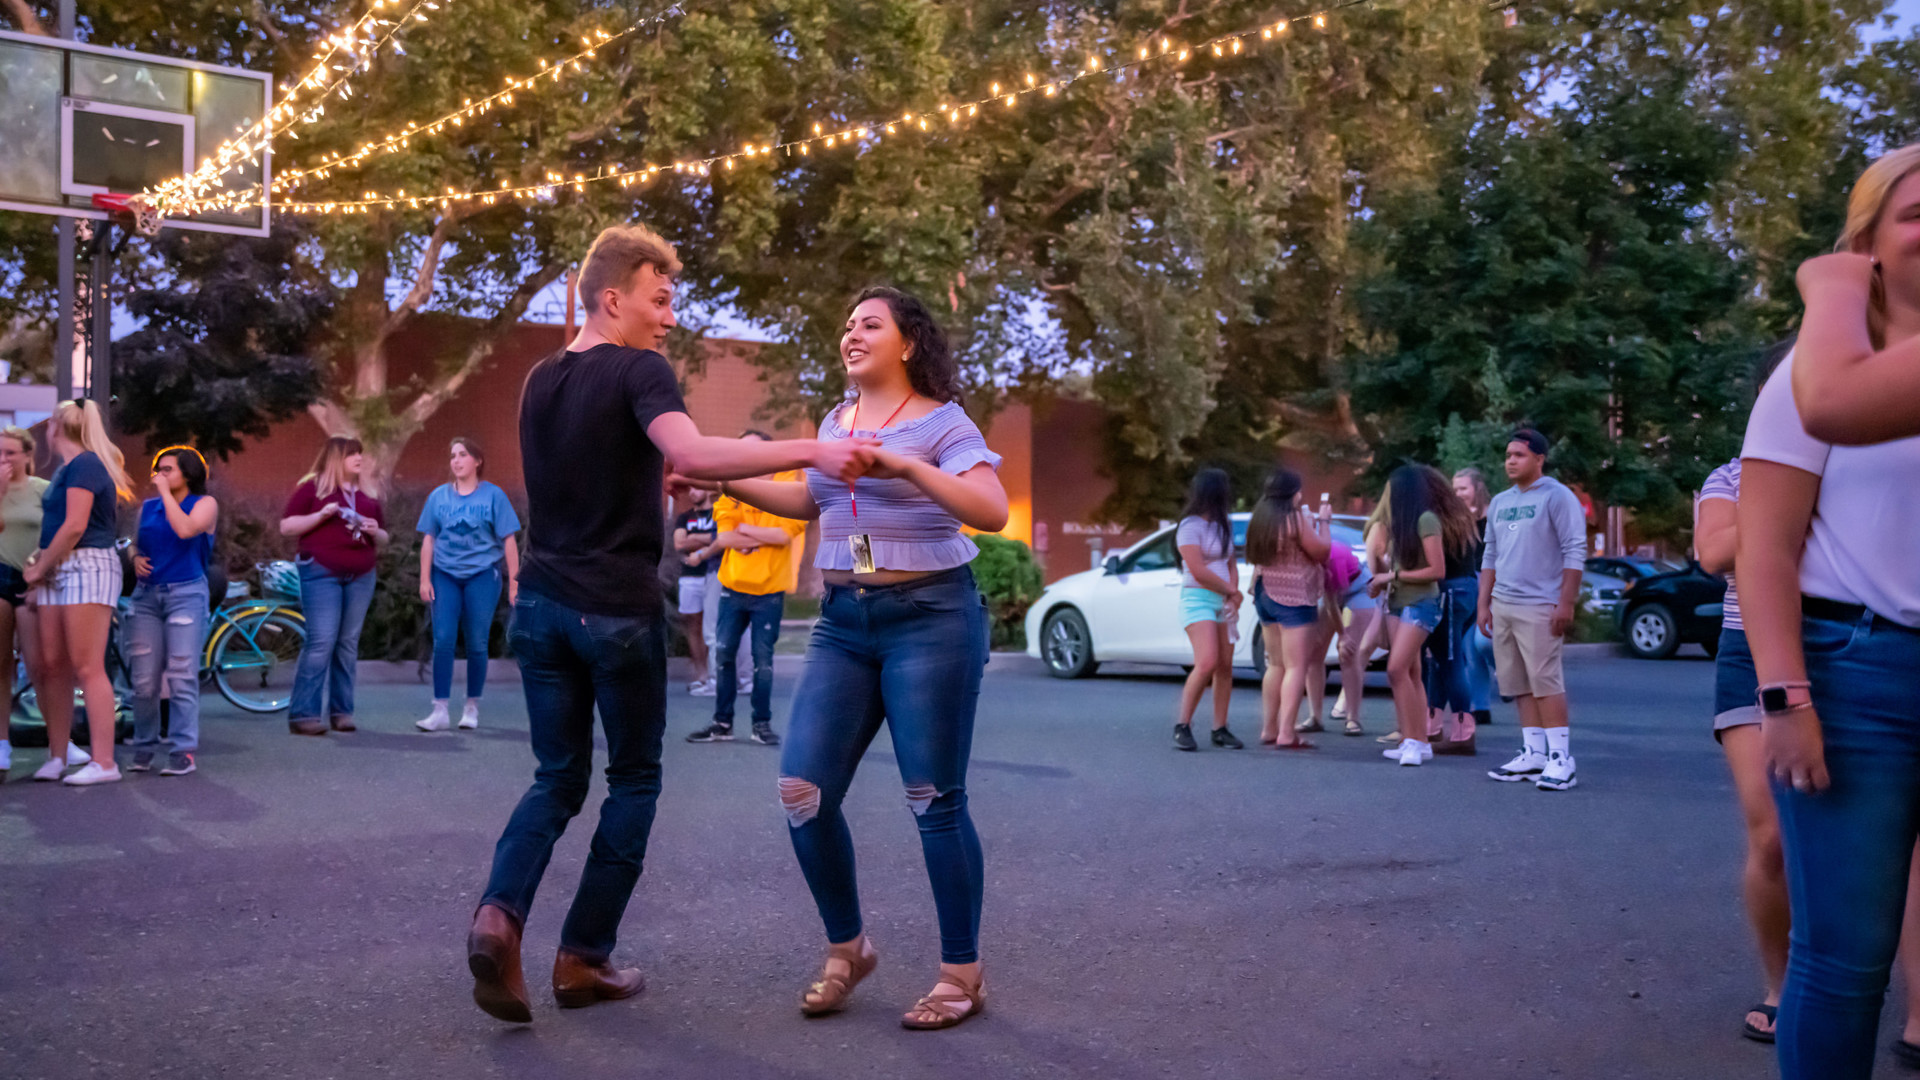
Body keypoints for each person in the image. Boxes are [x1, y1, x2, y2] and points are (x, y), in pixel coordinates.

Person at [466, 223, 874, 1024]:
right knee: (635, 779)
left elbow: (601, 476)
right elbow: (693, 448)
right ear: (612, 297)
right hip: (612, 612)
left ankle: (497, 915)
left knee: (555, 779)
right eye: (659, 298)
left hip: (541, 607)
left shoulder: (540, 379)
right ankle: (584, 954)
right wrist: (811, 452)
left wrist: (662, 491)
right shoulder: (639, 369)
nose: (669, 317)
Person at [683, 285, 1005, 1029]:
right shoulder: (835, 421)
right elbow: (808, 503)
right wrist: (718, 473)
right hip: (842, 623)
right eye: (846, 324)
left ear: (908, 343)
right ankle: (849, 946)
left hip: (931, 619)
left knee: (933, 798)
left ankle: (963, 972)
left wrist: (908, 469)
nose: (850, 334)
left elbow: (987, 510)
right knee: (801, 790)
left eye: (869, 324)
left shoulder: (942, 422)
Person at [1741, 146, 1920, 1079]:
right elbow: (1764, 550)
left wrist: (1827, 286)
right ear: (1871, 240)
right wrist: (1785, 699)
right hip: (1859, 675)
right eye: (1917, 213)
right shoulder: (1803, 377)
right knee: (1845, 960)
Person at [26, 399, 132, 785]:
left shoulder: (86, 464)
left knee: (87, 665)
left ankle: (104, 762)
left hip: (88, 564)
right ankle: (58, 755)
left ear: (57, 428)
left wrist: (39, 566)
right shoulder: (66, 470)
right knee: (54, 664)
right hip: (61, 567)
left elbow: (74, 526)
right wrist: (43, 564)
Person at [1477, 429, 1586, 790]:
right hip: (1503, 603)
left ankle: (1560, 759)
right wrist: (1484, 603)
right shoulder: (1500, 502)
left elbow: (1574, 549)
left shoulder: (1557, 496)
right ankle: (1533, 753)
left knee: (1545, 680)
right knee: (1518, 682)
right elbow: (1490, 554)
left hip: (1540, 604)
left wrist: (1565, 601)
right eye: (1508, 454)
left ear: (1539, 459)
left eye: (1519, 455)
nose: (1510, 460)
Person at [685, 431, 806, 746]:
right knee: (723, 653)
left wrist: (745, 530)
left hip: (769, 591)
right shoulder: (732, 487)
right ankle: (721, 723)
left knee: (762, 661)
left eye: (752, 452)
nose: (744, 458)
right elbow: (724, 537)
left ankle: (761, 725)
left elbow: (785, 535)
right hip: (733, 588)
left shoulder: (789, 484)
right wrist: (762, 533)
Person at [279, 437, 389, 737]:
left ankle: (342, 712)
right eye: (352, 454)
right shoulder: (313, 489)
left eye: (360, 454)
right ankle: (304, 714)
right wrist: (320, 515)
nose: (359, 459)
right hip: (321, 572)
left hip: (361, 574)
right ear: (335, 458)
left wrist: (374, 530)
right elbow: (286, 526)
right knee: (322, 640)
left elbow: (384, 537)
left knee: (347, 643)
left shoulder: (367, 496)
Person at [416, 437, 521, 733]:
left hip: (482, 576)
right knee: (444, 639)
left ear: (477, 461)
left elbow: (509, 540)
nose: (456, 460)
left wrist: (514, 583)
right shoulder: (438, 497)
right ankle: (439, 710)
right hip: (445, 575)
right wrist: (425, 578)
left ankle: (471, 707)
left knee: (477, 642)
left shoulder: (493, 496)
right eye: (452, 456)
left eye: (463, 455)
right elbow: (429, 539)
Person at [127, 447, 218, 776]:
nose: (159, 476)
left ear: (189, 473)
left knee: (181, 675)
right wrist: (134, 556)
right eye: (158, 470)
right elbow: (135, 542)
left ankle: (183, 751)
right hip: (146, 597)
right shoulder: (147, 507)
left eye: (168, 470)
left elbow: (185, 530)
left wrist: (166, 494)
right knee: (144, 681)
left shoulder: (204, 504)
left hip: (186, 594)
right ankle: (143, 747)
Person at [1365, 465, 1458, 767]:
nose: (1386, 495)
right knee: (1412, 673)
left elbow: (1437, 571)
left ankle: (1415, 742)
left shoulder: (1426, 520)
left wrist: (1392, 576)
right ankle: (1414, 740)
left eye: (1390, 489)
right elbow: (1388, 569)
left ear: (1402, 491)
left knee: (1395, 669)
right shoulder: (1395, 525)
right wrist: (1380, 577)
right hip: (1397, 602)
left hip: (1421, 603)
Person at [1245, 469, 1330, 749]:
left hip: (1264, 591)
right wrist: (1324, 522)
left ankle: (1269, 729)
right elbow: (1321, 551)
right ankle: (1286, 733)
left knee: (1276, 664)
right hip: (1293, 595)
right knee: (1296, 666)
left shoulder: (1261, 519)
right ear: (1293, 493)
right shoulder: (1295, 519)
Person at [1171, 468, 1244, 752]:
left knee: (1225, 666)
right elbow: (1198, 571)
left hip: (1221, 601)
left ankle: (1220, 728)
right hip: (1197, 600)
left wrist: (1231, 594)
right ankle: (1182, 725)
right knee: (1207, 661)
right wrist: (1230, 591)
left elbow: (1232, 564)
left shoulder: (1222, 524)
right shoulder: (1190, 526)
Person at [1419, 466, 1485, 755]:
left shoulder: (1436, 518)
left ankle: (1461, 733)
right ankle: (1432, 726)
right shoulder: (1460, 515)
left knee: (1450, 661)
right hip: (1467, 588)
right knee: (1441, 661)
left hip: (1449, 591)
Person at [0, 427, 48, 777]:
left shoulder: (43, 490)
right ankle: (2, 744)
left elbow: (56, 533)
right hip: (0, 575)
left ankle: (60, 740)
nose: (4, 460)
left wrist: (42, 573)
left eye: (10, 453)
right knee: (1, 665)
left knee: (39, 664)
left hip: (32, 578)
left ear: (27, 455)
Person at [1451, 467, 1497, 730]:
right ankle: (1481, 707)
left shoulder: (1495, 515)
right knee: (1470, 648)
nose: (1458, 494)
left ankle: (1506, 672)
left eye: (1463, 489)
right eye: (1455, 489)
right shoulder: (1458, 519)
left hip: (1495, 586)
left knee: (1484, 643)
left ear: (1477, 489)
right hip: (1468, 587)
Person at [670, 489, 718, 695]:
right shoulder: (685, 517)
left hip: (713, 575)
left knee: (713, 628)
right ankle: (701, 675)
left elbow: (723, 536)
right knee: (693, 627)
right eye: (688, 489)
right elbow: (679, 543)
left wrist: (695, 538)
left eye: (696, 488)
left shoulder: (718, 513)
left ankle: (716, 676)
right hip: (689, 577)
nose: (691, 493)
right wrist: (710, 538)